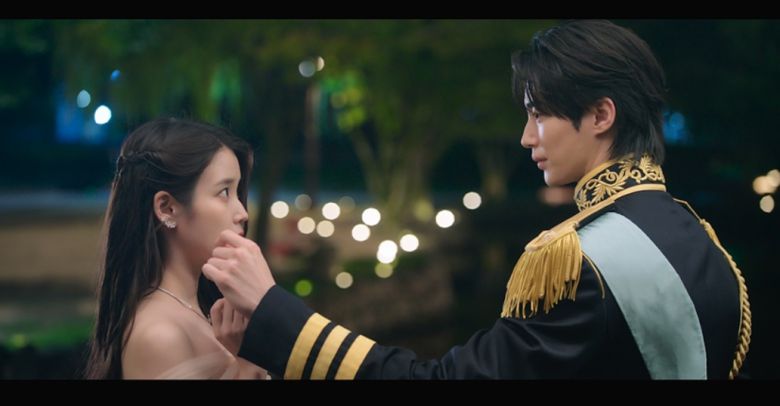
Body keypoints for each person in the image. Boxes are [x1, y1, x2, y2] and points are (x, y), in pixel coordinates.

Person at [203, 20, 751, 379]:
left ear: (601, 115)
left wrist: (275, 311)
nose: (527, 137)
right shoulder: (700, 240)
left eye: (539, 114)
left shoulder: (581, 263)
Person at [84, 117, 267, 379]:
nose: (242, 213)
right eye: (224, 192)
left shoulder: (206, 310)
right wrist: (248, 361)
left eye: (238, 192)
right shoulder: (160, 336)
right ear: (167, 208)